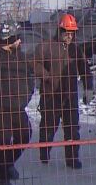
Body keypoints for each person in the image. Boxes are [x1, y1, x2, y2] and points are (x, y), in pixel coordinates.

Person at [33, 13, 92, 169]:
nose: (70, 36)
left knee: (72, 128)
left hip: (70, 95)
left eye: (72, 33)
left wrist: (88, 88)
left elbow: (85, 69)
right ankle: (44, 153)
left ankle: (72, 158)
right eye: (67, 32)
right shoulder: (46, 47)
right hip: (51, 95)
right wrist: (46, 76)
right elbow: (34, 63)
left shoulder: (75, 49)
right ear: (59, 30)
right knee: (48, 127)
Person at [0, 22, 34, 185]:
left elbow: (29, 77)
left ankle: (8, 164)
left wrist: (26, 96)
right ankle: (2, 178)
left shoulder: (20, 56)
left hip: (17, 106)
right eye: (15, 39)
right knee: (3, 142)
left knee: (24, 135)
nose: (18, 42)